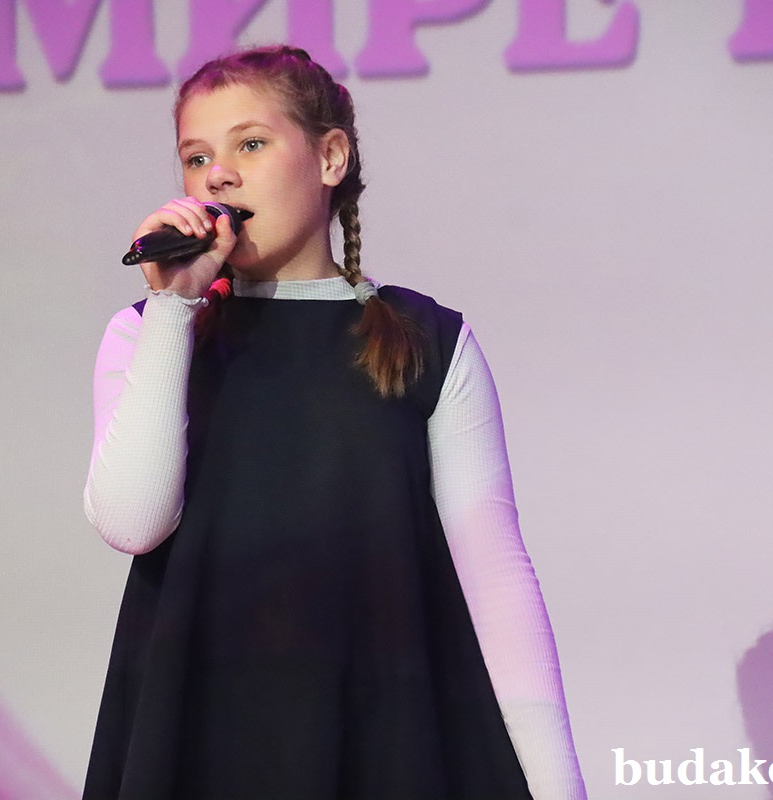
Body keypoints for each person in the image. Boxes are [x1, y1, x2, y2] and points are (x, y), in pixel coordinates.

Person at [82, 44, 586, 800]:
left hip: (384, 729)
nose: (218, 176)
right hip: (202, 729)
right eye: (196, 157)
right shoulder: (148, 332)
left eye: (251, 144)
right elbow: (132, 521)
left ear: (329, 157)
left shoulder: (426, 341)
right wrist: (172, 307)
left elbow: (493, 573)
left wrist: (556, 784)